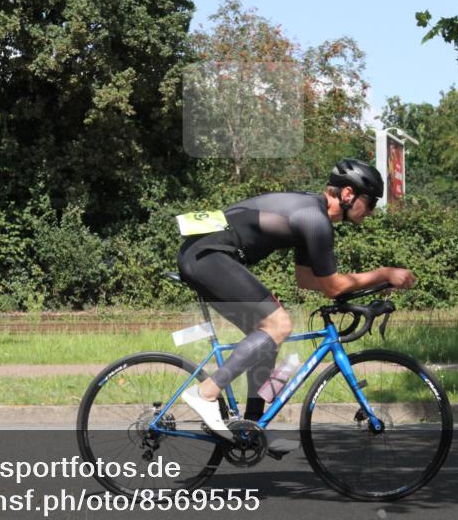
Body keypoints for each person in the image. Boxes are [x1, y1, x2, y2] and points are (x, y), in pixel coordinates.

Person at [177, 158, 416, 437]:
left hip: (208, 254)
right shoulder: (314, 220)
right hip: (209, 255)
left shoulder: (312, 215)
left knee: (267, 334)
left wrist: (372, 286)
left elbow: (306, 280)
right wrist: (384, 273)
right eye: (371, 202)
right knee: (278, 325)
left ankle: (250, 426)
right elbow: (333, 287)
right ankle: (204, 394)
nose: (373, 211)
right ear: (349, 194)